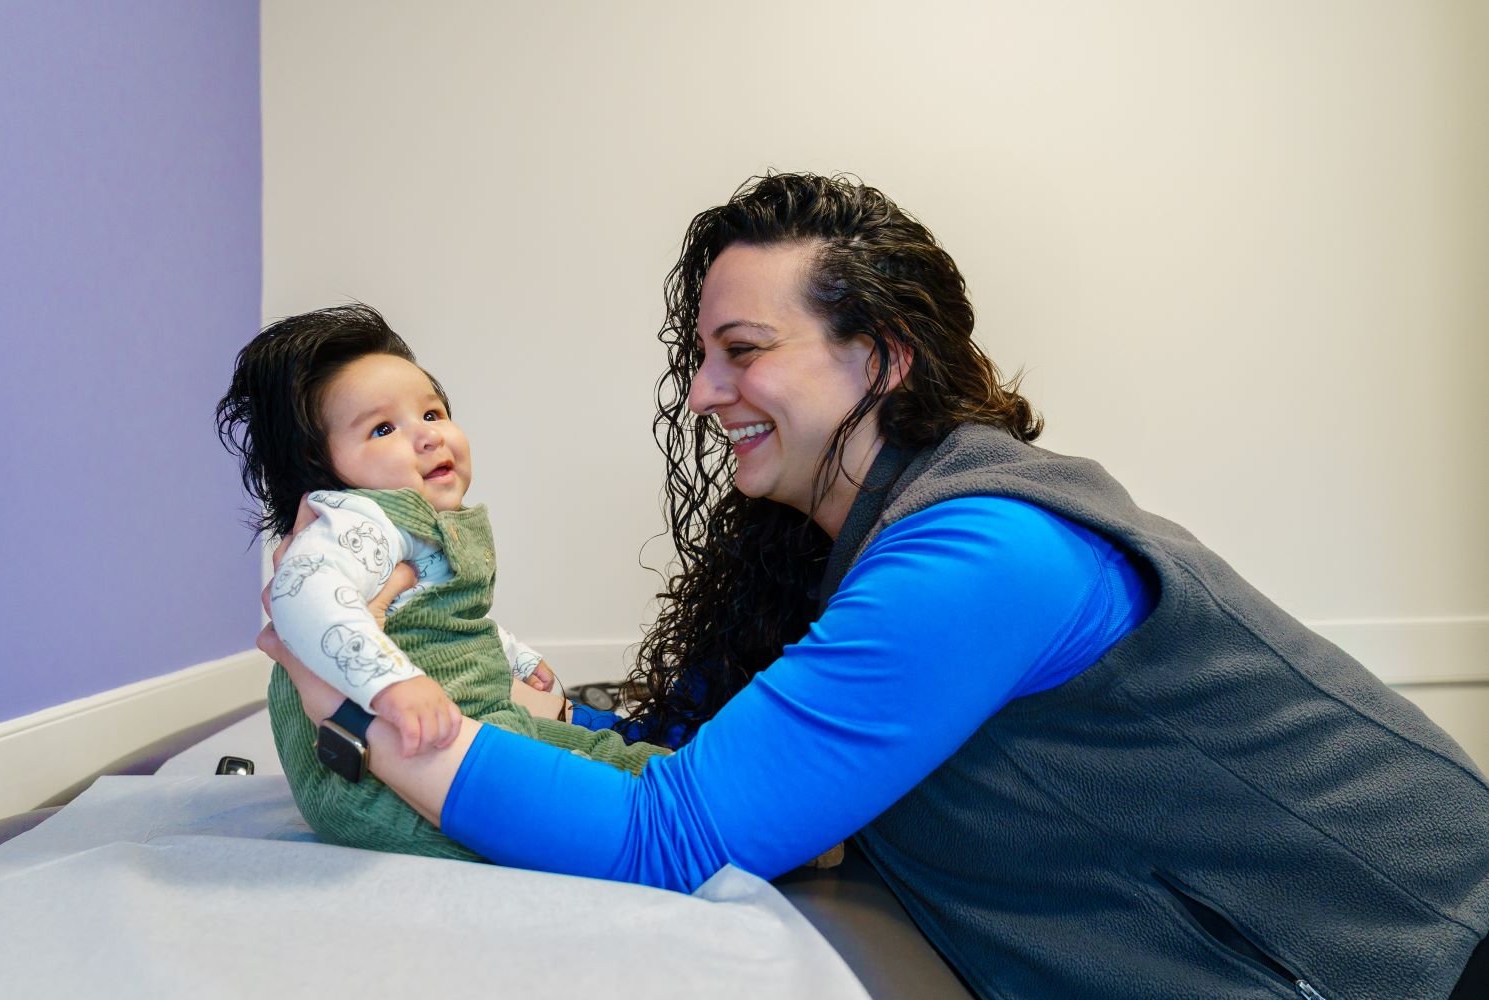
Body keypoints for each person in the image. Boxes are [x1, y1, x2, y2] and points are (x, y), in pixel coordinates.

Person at [264, 176, 1489, 997]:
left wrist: (360, 710)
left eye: (743, 352)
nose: (699, 393)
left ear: (885, 358)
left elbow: (669, 834)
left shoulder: (982, 555)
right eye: (700, 356)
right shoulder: (841, 547)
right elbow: (693, 754)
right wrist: (543, 706)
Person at [218, 305, 667, 861]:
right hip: (365, 774)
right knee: (532, 825)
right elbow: (298, 599)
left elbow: (437, 616)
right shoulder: (357, 521)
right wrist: (392, 685)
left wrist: (512, 655)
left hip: (476, 723)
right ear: (323, 464)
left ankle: (686, 790)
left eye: (431, 413)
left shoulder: (424, 524)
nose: (427, 437)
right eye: (383, 429)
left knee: (602, 753)